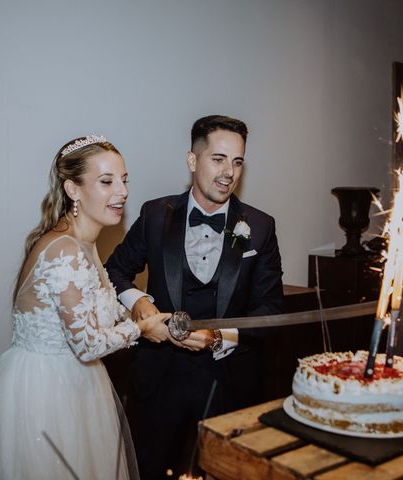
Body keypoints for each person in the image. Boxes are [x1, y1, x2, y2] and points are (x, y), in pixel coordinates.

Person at [0, 135, 171, 480]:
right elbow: (88, 343)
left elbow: (98, 314)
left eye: (124, 180)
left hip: (82, 386)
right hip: (44, 394)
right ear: (73, 189)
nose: (121, 192)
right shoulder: (64, 249)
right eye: (106, 181)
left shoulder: (85, 244)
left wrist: (151, 318)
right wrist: (140, 329)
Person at [105, 115, 284, 479]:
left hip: (228, 381)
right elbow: (114, 270)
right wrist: (138, 300)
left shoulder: (261, 227)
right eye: (218, 159)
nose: (228, 172)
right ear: (192, 160)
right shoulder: (155, 215)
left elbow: (270, 310)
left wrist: (221, 336)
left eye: (237, 162)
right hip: (159, 376)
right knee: (150, 469)